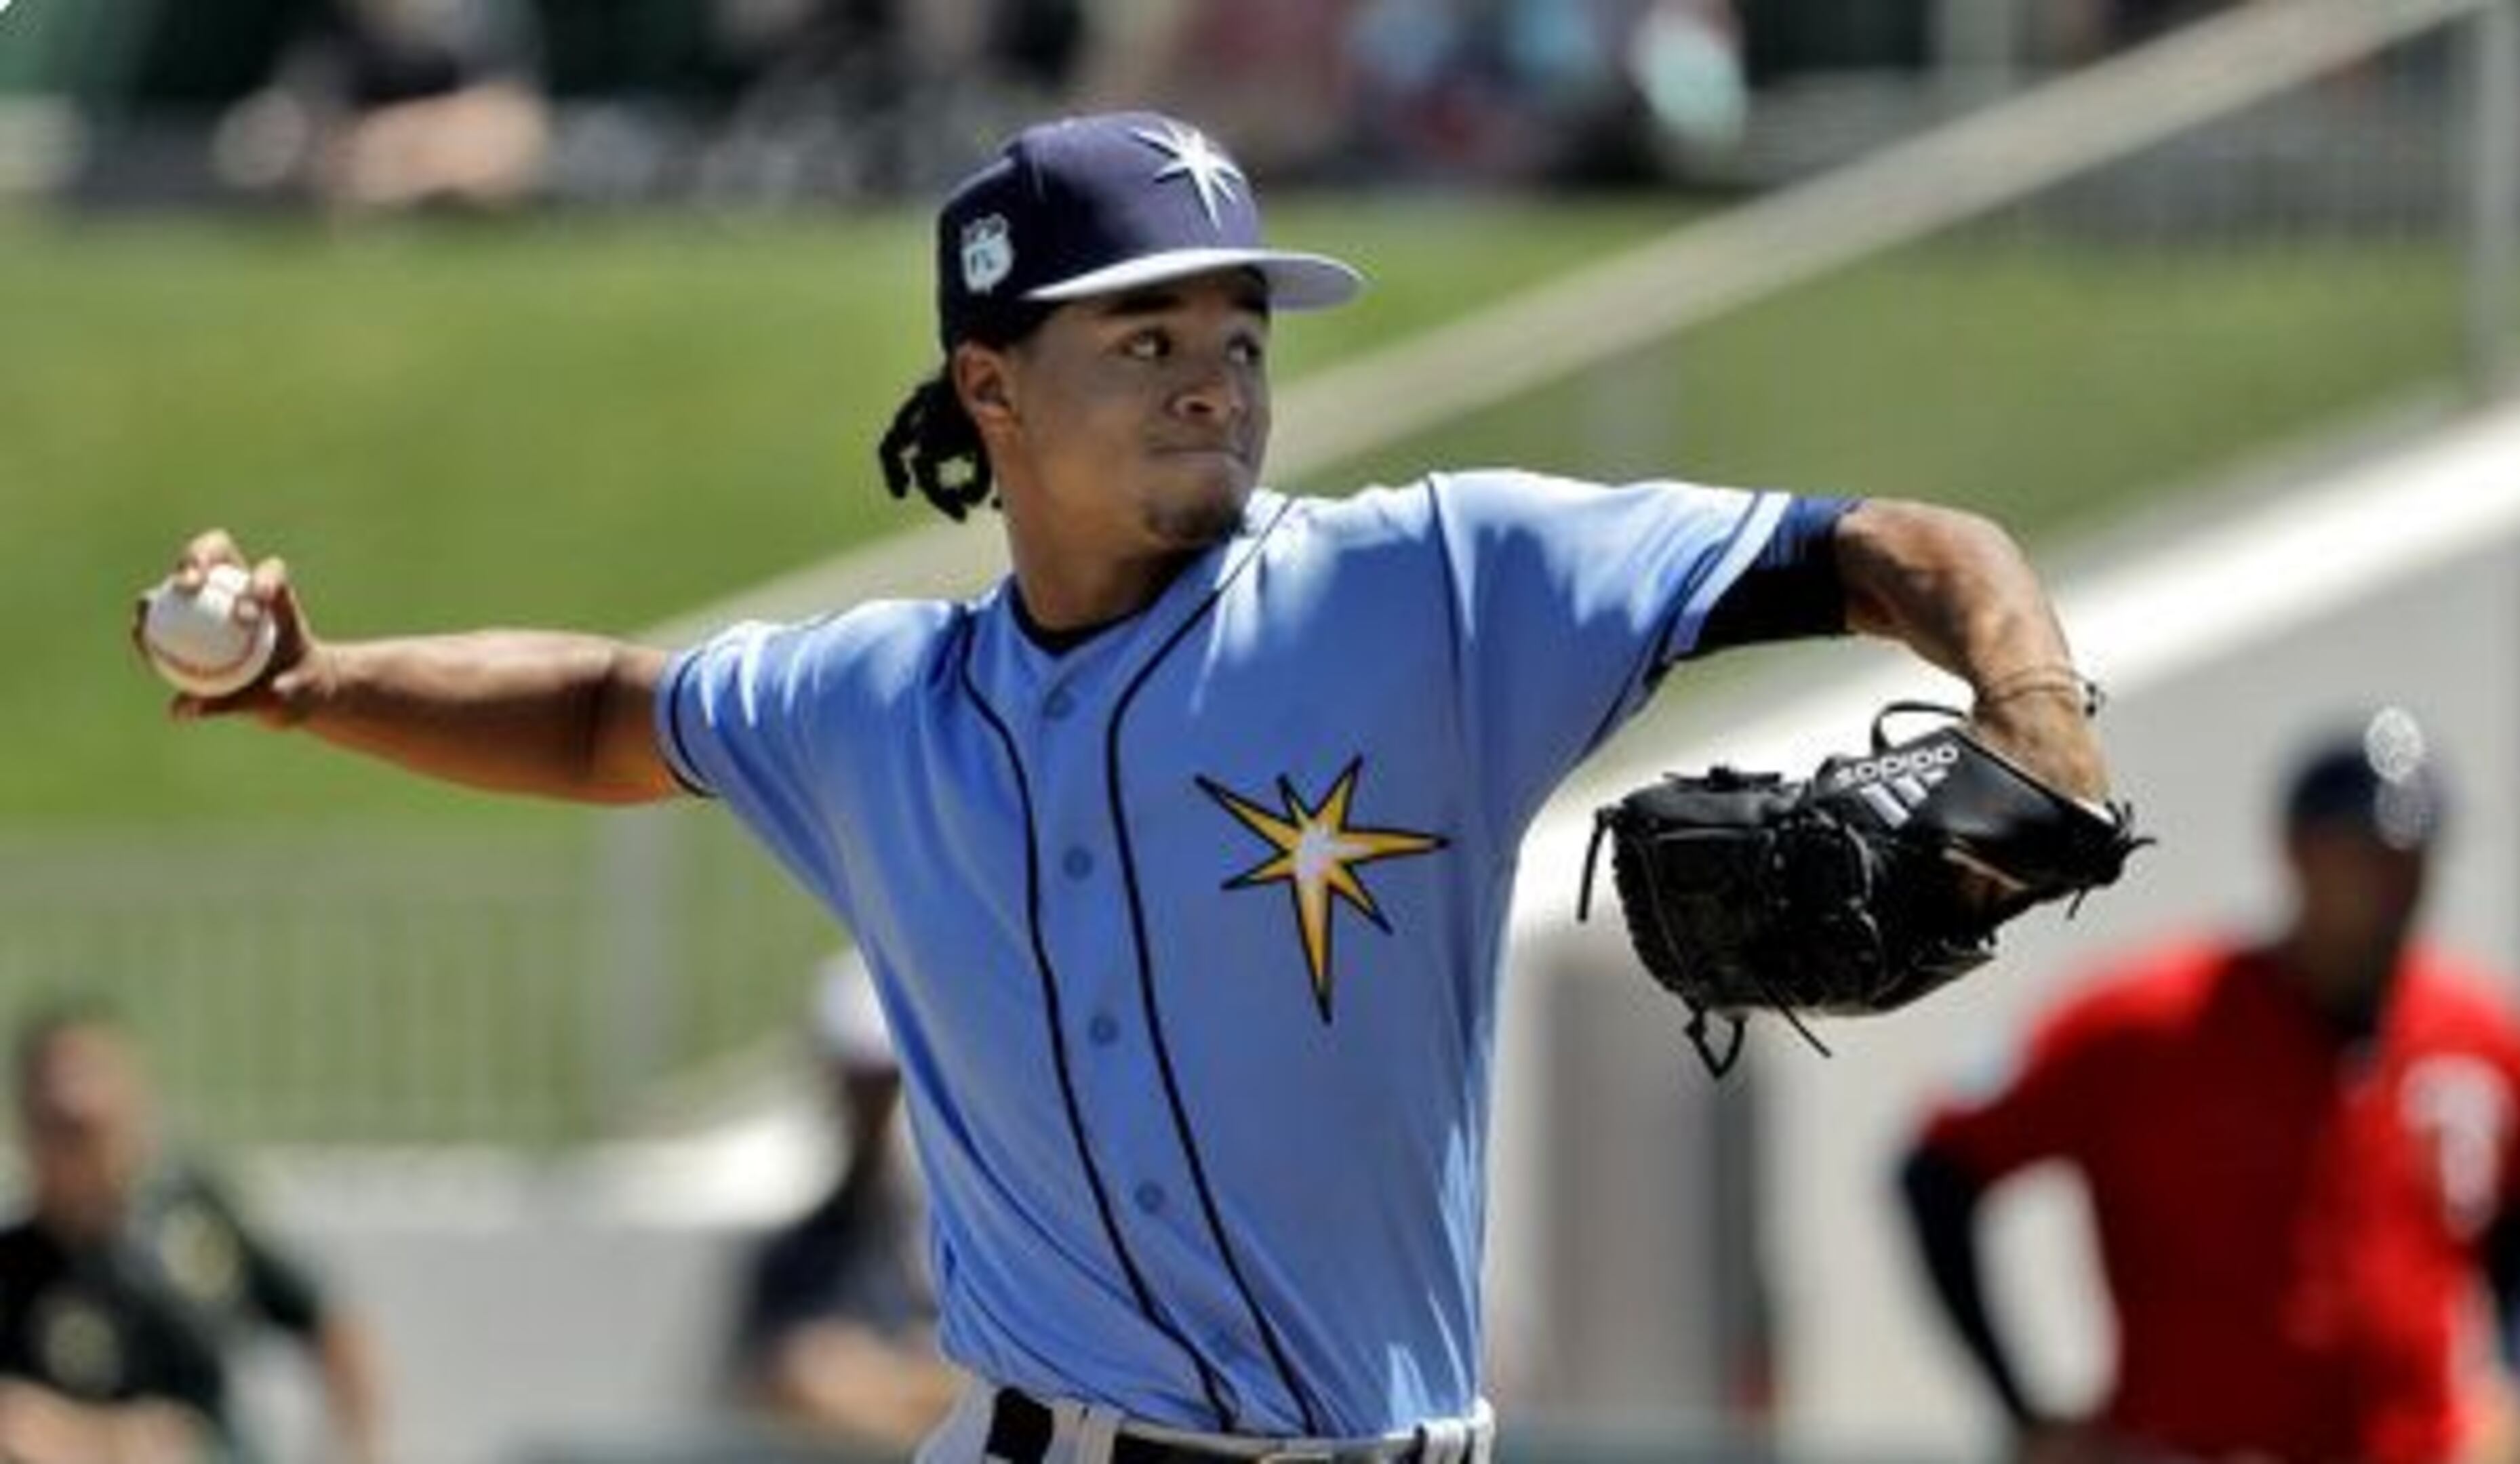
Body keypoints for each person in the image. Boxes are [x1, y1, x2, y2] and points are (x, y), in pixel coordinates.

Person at [146, 108, 2112, 1462]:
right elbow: (604, 711)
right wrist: (320, 687)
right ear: (988, 388)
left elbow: (1895, 543)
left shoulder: (1434, 584)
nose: (1215, 380)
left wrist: (2035, 707)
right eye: (1147, 334)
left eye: (1239, 337)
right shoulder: (881, 707)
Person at [1898, 709, 2520, 1464]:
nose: (2391, 884)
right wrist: (2025, 1410)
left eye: (2409, 856)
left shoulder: (2485, 1036)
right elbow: (1938, 1170)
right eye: (2363, 856)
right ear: (2297, 855)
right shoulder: (2149, 1021)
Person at [0, 1004, 386, 1464]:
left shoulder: (193, 1220)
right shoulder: (14, 1271)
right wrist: (101, 1441)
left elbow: (329, 1323)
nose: (83, 1151)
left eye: (94, 1127)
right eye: (61, 1130)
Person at [727, 955, 961, 1448]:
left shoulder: (995, 1244)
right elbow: (782, 1379)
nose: (875, 1108)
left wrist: (875, 1378)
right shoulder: (808, 1249)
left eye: (888, 1084)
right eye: (861, 1085)